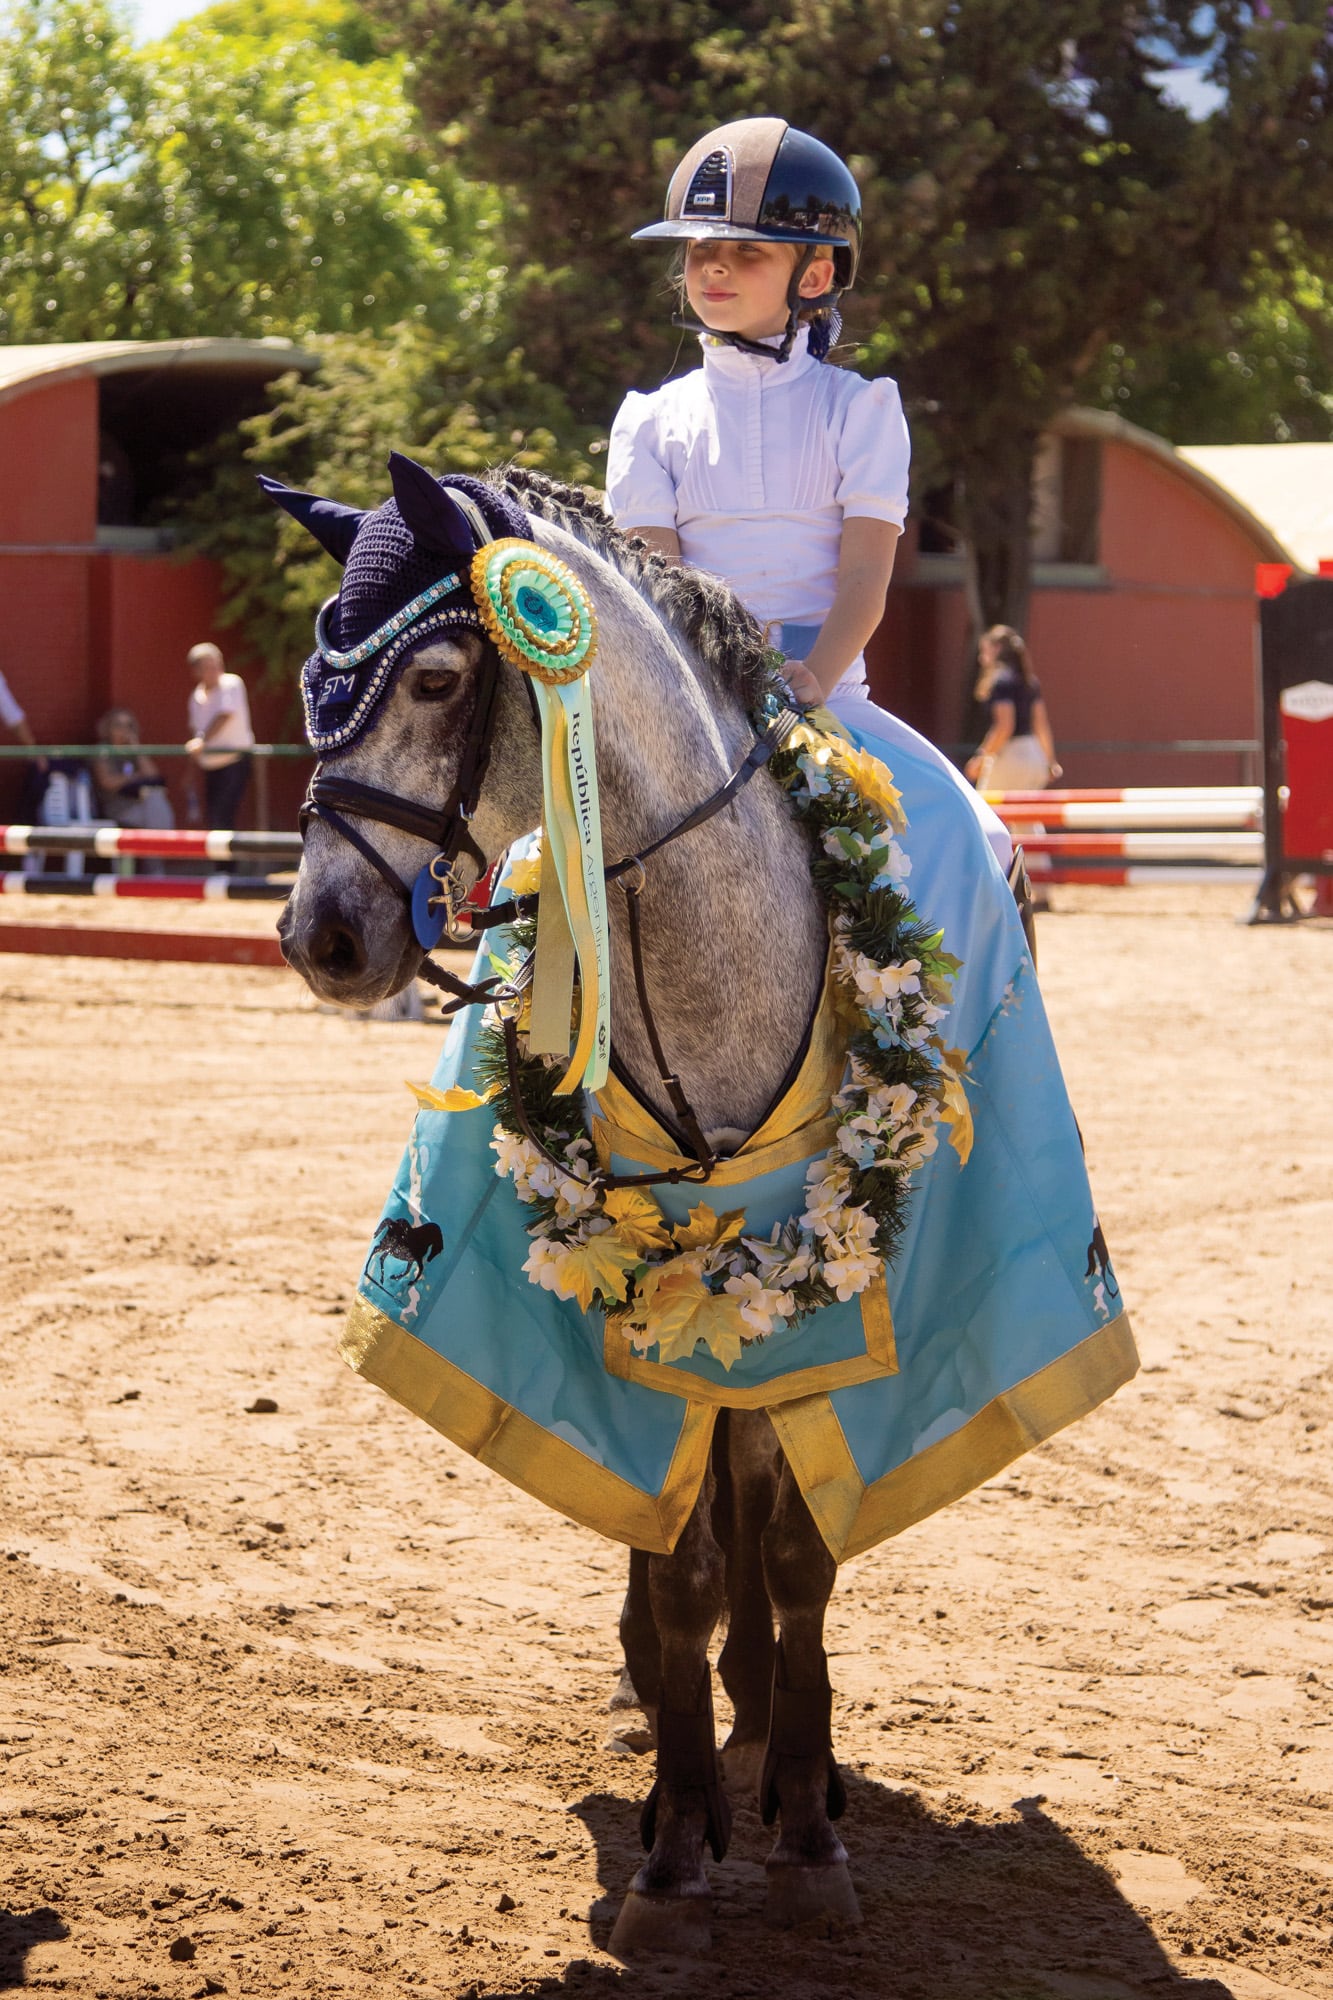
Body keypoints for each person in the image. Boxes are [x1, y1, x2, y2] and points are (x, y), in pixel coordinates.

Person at [605, 116, 1010, 869]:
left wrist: (813, 678)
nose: (713, 268)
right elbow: (660, 588)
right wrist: (712, 677)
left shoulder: (860, 409)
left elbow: (864, 578)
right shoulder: (649, 421)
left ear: (813, 277)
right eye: (700, 251)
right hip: (692, 702)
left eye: (745, 252)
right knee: (541, 863)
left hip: (829, 695)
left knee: (982, 841)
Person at [964, 625, 1061, 793]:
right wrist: (1050, 760)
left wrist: (981, 757)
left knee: (988, 813)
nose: (981, 658)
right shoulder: (1029, 682)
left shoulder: (1001, 683)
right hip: (1034, 755)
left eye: (985, 651)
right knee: (1026, 817)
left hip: (1010, 756)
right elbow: (1040, 725)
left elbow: (1004, 727)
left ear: (997, 649)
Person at [93, 707, 175, 874]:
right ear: (108, 728)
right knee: (153, 816)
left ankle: (154, 865)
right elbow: (107, 782)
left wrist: (137, 749)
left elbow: (153, 776)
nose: (124, 730)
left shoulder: (132, 751)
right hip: (116, 807)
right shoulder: (102, 750)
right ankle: (156, 868)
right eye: (118, 725)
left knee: (155, 800)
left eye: (129, 726)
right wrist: (133, 777)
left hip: (141, 806)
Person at [186, 642, 254, 829]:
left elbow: (224, 715)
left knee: (222, 817)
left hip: (235, 762)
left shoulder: (232, 683)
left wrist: (202, 740)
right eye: (208, 667)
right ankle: (221, 859)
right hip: (210, 767)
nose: (216, 670)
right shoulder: (195, 697)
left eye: (218, 664)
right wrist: (190, 772)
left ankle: (230, 858)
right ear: (196, 671)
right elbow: (196, 735)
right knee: (213, 820)